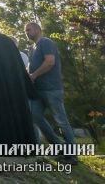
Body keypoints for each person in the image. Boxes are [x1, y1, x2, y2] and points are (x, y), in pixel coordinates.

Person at [0, 19, 36, 145]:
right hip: (16, 85)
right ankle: (27, 145)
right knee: (20, 115)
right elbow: (19, 64)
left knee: (4, 118)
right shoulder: (7, 40)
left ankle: (9, 146)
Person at [25, 22, 77, 164]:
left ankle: (71, 156)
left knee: (61, 121)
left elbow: (50, 62)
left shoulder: (46, 43)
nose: (26, 32)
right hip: (38, 91)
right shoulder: (33, 48)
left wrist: (34, 75)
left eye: (28, 30)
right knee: (35, 116)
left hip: (52, 89)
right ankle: (59, 147)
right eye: (25, 31)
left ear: (37, 29)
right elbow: (30, 68)